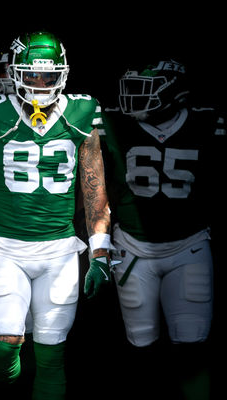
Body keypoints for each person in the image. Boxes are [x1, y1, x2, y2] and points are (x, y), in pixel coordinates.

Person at [0, 31, 113, 399]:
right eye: (32, 74)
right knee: (3, 346)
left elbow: (95, 188)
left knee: (51, 353)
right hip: (6, 248)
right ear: (14, 72)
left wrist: (101, 250)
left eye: (49, 76)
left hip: (59, 251)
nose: (40, 83)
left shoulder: (82, 110)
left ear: (62, 75)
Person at [100, 59, 222, 399]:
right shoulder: (109, 122)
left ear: (173, 89)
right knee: (140, 343)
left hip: (189, 246)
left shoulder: (207, 122)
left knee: (192, 343)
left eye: (144, 87)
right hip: (133, 248)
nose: (133, 96)